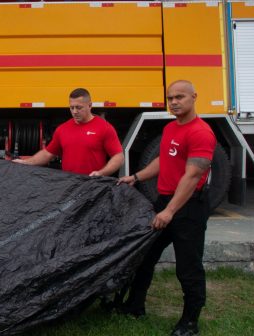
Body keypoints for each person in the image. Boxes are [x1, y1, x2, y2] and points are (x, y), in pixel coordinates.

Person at [117, 80, 216, 336]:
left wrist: (169, 211)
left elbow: (192, 177)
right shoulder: (172, 128)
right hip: (164, 203)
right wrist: (136, 177)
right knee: (144, 255)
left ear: (194, 97)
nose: (174, 102)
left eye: (180, 97)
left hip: (188, 208)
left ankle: (190, 323)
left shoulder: (201, 132)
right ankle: (135, 306)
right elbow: (164, 160)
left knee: (188, 267)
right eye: (170, 98)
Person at [13, 88, 124, 176]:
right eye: (71, 108)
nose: (74, 112)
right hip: (70, 186)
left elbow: (118, 157)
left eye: (79, 107)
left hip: (94, 186)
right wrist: (26, 162)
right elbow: (47, 153)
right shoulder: (62, 129)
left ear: (90, 105)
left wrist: (101, 173)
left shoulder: (104, 128)